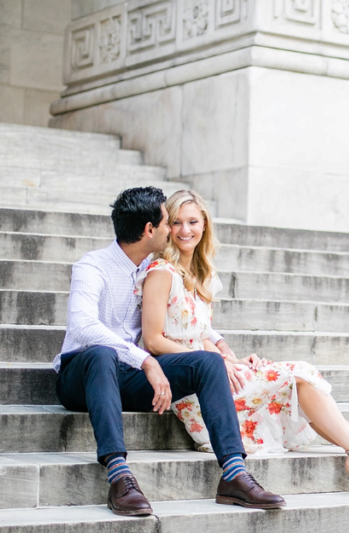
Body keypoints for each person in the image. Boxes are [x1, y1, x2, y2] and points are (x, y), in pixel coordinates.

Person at [138, 190, 349, 495]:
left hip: (213, 372)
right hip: (192, 388)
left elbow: (200, 333)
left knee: (301, 382)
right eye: (176, 222)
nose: (185, 230)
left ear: (205, 226)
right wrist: (217, 362)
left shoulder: (199, 274)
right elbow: (152, 340)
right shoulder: (161, 272)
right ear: (166, 227)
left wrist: (233, 359)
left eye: (192, 222)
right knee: (299, 374)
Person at [54, 187, 286, 517]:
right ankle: (120, 477)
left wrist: (220, 347)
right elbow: (83, 327)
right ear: (150, 230)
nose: (174, 231)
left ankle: (234, 475)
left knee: (207, 363)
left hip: (130, 379)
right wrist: (145, 360)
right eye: (168, 223)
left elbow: (188, 311)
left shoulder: (155, 268)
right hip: (82, 375)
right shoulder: (92, 266)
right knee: (102, 352)